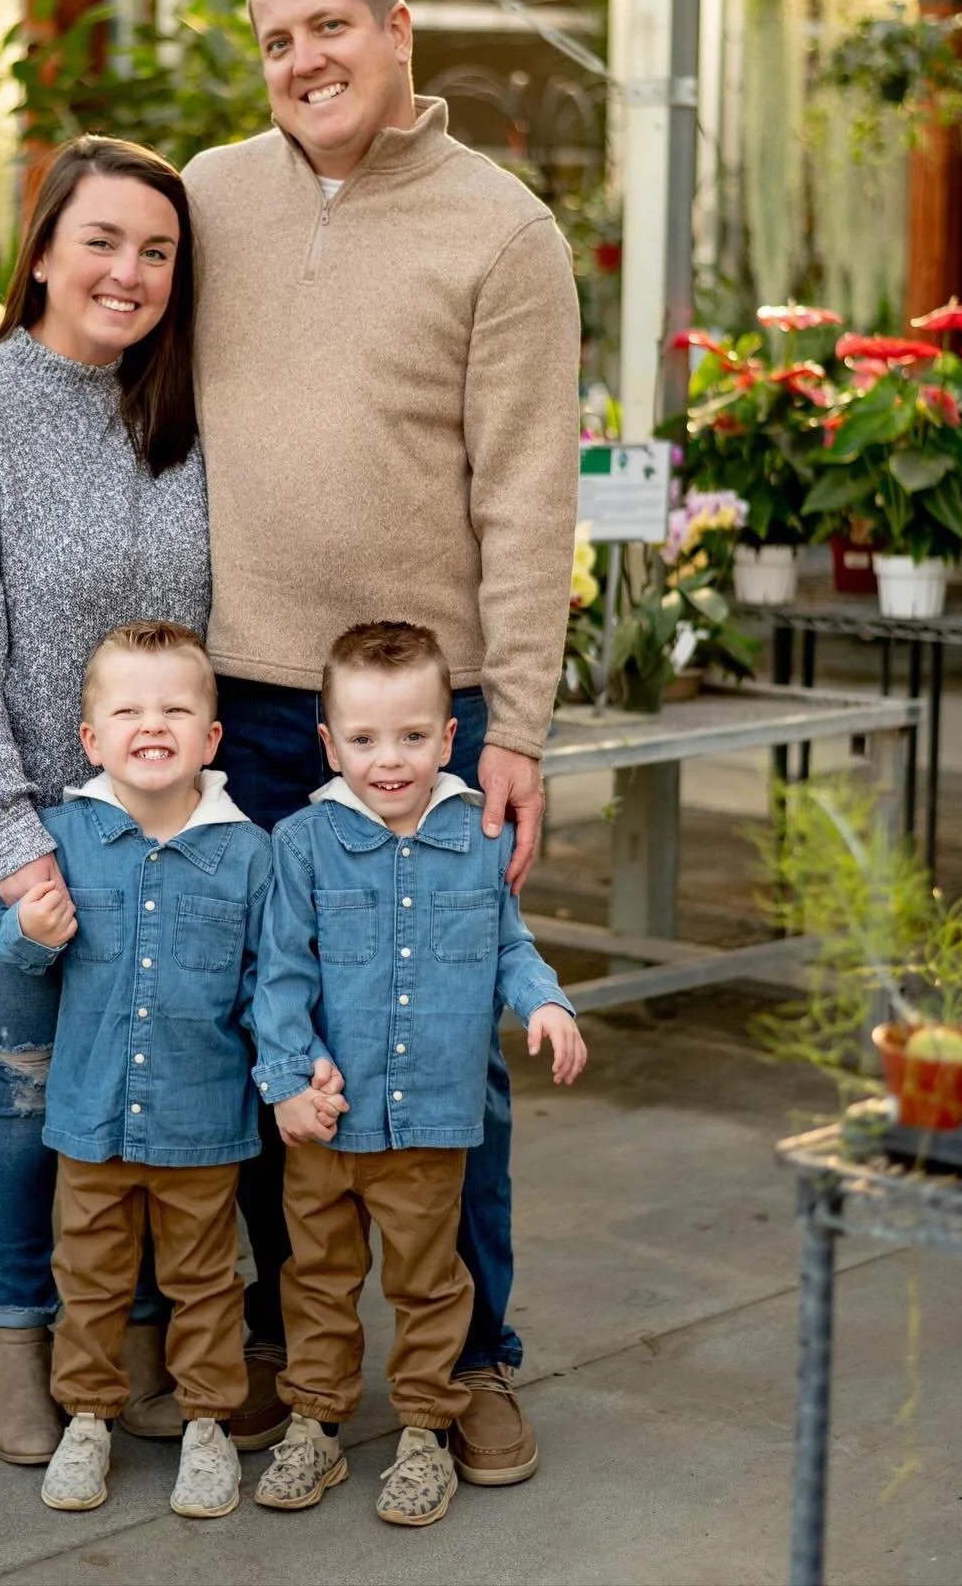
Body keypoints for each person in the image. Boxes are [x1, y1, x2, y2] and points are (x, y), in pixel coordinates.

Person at [183, 0, 582, 1477]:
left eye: (330, 25)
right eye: (277, 40)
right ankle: (285, 1350)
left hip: (430, 718)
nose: (304, 62)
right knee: (267, 1035)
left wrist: (525, 729)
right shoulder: (214, 196)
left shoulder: (503, 232)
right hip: (240, 705)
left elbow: (532, 498)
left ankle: (470, 1360)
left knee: (435, 1047)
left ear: (397, 27)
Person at [0, 137, 211, 1468]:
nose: (127, 272)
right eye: (103, 241)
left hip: (136, 824)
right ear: (45, 250)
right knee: (19, 1080)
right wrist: (19, 847)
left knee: (129, 1075)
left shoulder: (177, 415)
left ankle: (121, 1330)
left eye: (157, 251)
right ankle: (19, 1332)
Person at [249, 622, 586, 1528]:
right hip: (326, 1121)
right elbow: (277, 974)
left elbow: (510, 946)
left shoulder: (476, 838)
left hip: (433, 1126)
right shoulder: (303, 843)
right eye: (362, 739)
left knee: (429, 1285)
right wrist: (285, 1079)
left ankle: (425, 1433)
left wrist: (547, 1003)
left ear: (448, 737)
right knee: (315, 1280)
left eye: (409, 737)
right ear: (329, 742)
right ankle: (314, 1422)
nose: (386, 761)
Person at [0, 622, 282, 1519]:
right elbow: (21, 948)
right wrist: (26, 933)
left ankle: (205, 1423)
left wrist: (292, 1073)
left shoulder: (248, 854)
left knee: (204, 1281)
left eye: (175, 709)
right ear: (91, 739)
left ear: (211, 738)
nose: (150, 725)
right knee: (91, 1278)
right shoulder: (69, 837)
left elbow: (272, 983)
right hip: (91, 1119)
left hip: (202, 1123)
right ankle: (87, 1415)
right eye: (127, 710)